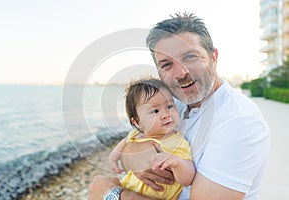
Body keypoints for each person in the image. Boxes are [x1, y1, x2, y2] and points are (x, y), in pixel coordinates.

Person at [88, 12, 270, 200]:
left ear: (213, 57)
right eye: (167, 65)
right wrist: (130, 153)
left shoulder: (239, 121)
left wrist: (111, 195)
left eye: (190, 57)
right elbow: (139, 138)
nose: (181, 73)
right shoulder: (172, 103)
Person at [108, 78, 195, 200]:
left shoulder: (178, 142)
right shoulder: (135, 134)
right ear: (137, 122)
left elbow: (188, 179)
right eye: (155, 111)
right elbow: (124, 142)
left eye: (169, 106)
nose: (166, 114)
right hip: (128, 190)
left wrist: (177, 163)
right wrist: (113, 158)